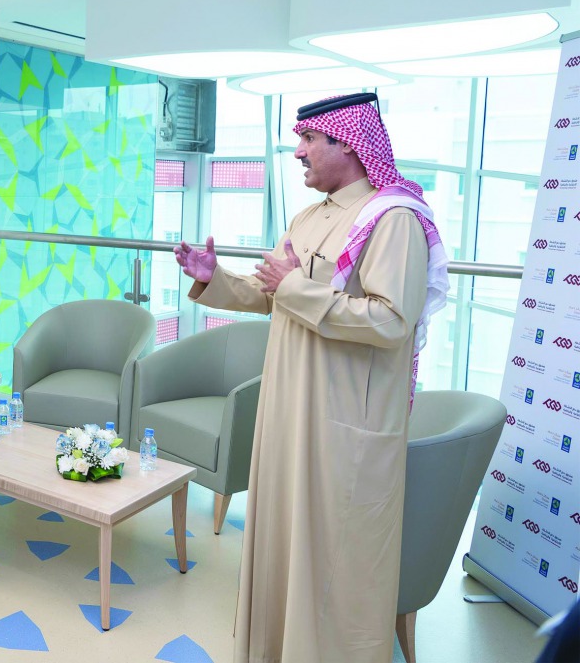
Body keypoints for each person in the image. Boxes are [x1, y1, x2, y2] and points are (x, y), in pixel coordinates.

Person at [174, 93, 449, 663]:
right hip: (288, 410)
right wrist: (215, 279)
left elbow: (392, 320)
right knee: (281, 542)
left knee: (336, 556)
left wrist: (296, 287)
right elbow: (271, 296)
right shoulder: (307, 217)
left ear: (347, 141)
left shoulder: (392, 218)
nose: (297, 153)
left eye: (309, 141)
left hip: (345, 423)